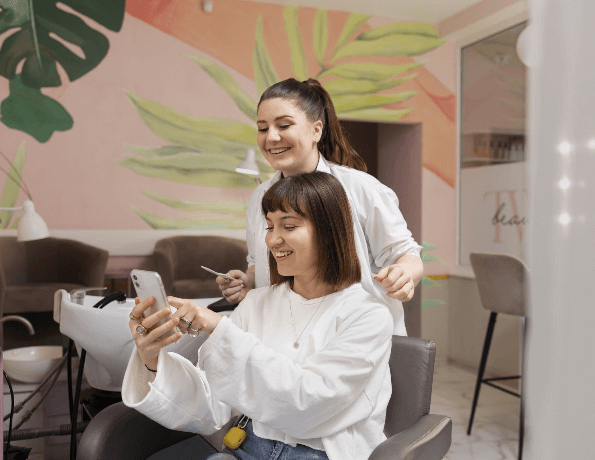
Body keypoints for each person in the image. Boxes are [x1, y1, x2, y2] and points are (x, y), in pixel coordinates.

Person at [123, 172, 394, 460]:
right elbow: (214, 404)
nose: (272, 240)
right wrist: (153, 361)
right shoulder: (257, 303)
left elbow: (308, 404)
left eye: (288, 226)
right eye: (268, 226)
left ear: (330, 231)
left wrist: (221, 331)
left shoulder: (368, 315)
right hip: (247, 448)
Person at [217, 78, 423, 336]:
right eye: (262, 128)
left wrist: (403, 275)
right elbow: (259, 261)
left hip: (357, 336)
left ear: (317, 130)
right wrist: (248, 280)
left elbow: (407, 255)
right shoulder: (261, 196)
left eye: (284, 125)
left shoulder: (361, 188)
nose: (271, 137)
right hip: (285, 336)